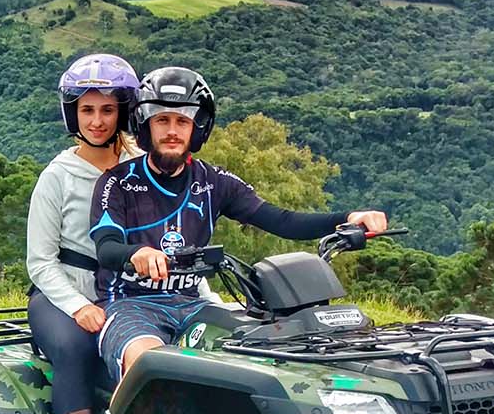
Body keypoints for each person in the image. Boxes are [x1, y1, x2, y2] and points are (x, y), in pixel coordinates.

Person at [90, 66, 387, 385]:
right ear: (145, 125)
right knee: (150, 364)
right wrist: (136, 253)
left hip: (194, 305)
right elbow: (107, 247)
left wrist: (347, 218)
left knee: (262, 355)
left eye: (182, 121)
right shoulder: (117, 182)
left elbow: (282, 220)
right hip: (130, 304)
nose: (172, 131)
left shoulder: (214, 182)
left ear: (197, 128)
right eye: (162, 120)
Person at [26, 53, 142, 414]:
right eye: (87, 110)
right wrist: (78, 306)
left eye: (108, 110)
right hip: (61, 293)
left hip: (127, 290)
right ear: (72, 113)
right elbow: (39, 261)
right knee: (77, 348)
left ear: (123, 112)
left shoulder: (140, 168)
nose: (97, 121)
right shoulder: (58, 175)